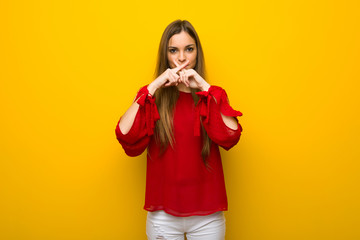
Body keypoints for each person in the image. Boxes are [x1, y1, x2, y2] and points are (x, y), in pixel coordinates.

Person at [115, 19, 243, 240]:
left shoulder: (212, 94)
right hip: (163, 216)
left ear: (197, 53)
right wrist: (154, 86)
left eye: (189, 49)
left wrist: (204, 87)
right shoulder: (151, 97)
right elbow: (125, 135)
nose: (182, 58)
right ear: (165, 55)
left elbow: (231, 136)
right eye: (173, 50)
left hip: (207, 217)